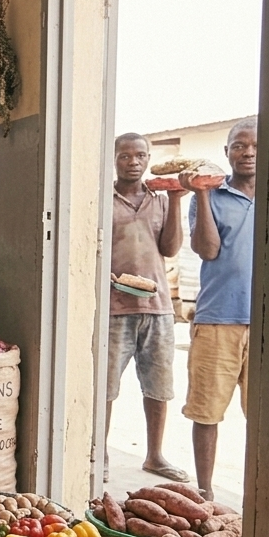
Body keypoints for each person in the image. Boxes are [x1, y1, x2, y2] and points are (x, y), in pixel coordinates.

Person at [105, 132, 187, 482]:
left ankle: (155, 455)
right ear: (115, 159)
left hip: (157, 307)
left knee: (158, 385)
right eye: (125, 155)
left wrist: (177, 199)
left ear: (149, 158)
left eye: (140, 155)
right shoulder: (104, 198)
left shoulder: (161, 199)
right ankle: (99, 453)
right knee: (105, 387)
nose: (133, 161)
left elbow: (169, 248)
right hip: (115, 305)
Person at [183, 118, 257, 499]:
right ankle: (205, 491)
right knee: (206, 411)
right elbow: (208, 250)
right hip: (218, 320)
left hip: (264, 325)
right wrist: (203, 194)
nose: (248, 152)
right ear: (226, 152)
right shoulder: (211, 197)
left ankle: (259, 491)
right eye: (239, 146)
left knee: (262, 418)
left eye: (256, 146)